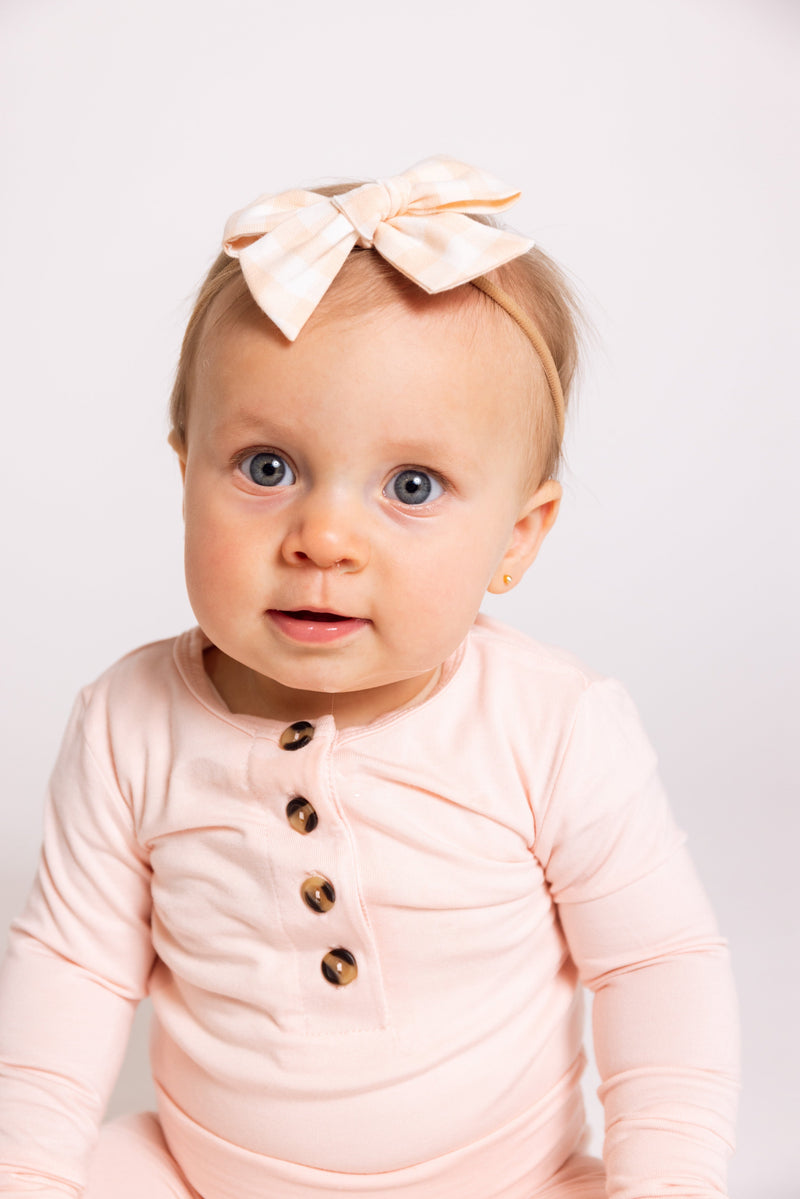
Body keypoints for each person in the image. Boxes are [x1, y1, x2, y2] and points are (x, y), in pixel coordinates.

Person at [0, 156, 739, 1198]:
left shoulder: (550, 724)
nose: (324, 538)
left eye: (410, 485)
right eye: (266, 468)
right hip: (208, 1177)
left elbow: (652, 963)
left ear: (514, 538)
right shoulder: (129, 721)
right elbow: (74, 967)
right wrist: (29, 1164)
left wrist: (664, 1176)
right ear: (183, 477)